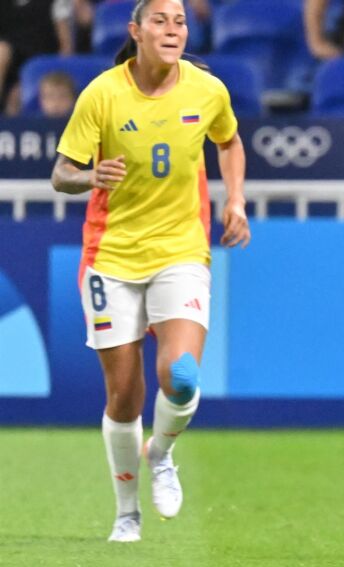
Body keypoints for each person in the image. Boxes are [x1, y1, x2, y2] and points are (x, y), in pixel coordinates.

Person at [49, 0, 250, 543]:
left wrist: (236, 200)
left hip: (181, 250)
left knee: (180, 376)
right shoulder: (104, 94)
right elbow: (60, 173)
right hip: (110, 257)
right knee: (123, 397)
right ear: (136, 31)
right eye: (160, 20)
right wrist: (90, 176)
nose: (173, 29)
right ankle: (126, 513)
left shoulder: (207, 90)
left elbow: (229, 141)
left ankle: (160, 453)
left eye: (180, 21)